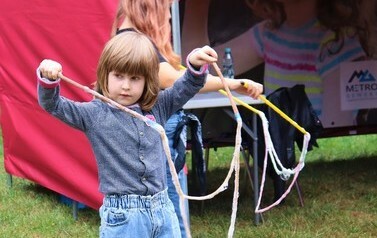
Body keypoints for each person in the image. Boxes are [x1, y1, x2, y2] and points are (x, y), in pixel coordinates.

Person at [37, 31, 218, 238]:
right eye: (118, 76)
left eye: (134, 78)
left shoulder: (159, 106)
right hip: (124, 218)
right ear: (105, 74)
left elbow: (188, 85)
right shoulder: (94, 114)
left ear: (147, 80)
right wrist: (47, 78)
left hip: (163, 209)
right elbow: (53, 105)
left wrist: (195, 64)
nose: (125, 85)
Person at [112, 0, 264, 236]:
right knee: (173, 218)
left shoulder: (126, 37)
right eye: (167, 10)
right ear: (151, 9)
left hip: (151, 140)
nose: (170, 19)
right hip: (156, 141)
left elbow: (174, 76)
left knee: (166, 216)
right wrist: (230, 82)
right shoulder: (133, 44)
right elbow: (173, 79)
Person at [245, 0, 377, 201]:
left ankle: (279, 177)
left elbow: (334, 116)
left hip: (299, 125)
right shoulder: (268, 33)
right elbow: (206, 64)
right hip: (274, 124)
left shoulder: (335, 42)